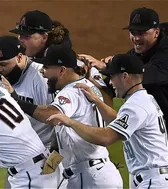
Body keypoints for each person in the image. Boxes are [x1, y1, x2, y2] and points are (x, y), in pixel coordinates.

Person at [5, 45, 123, 188]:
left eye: (47, 67)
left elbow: (51, 115)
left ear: (61, 70)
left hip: (90, 177)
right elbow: (61, 136)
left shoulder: (71, 91)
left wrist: (16, 99)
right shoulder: (86, 86)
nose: (42, 72)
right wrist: (49, 168)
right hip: (97, 173)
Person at [47, 53, 168, 188]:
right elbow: (118, 121)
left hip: (153, 180)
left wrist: (70, 122)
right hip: (152, 178)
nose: (110, 82)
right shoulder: (144, 99)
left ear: (125, 76)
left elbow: (106, 137)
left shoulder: (136, 105)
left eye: (112, 77)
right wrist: (97, 101)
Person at [0, 35, 67, 188]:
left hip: (43, 162)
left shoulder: (42, 78)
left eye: (4, 64)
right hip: (16, 163)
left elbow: (61, 119)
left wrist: (55, 156)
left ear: (19, 57)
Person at [80, 7, 168, 127]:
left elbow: (145, 76)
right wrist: (88, 76)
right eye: (133, 32)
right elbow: (113, 84)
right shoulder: (135, 54)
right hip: (155, 123)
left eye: (141, 33)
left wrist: (107, 66)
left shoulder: (165, 53)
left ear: (156, 32)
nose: (136, 38)